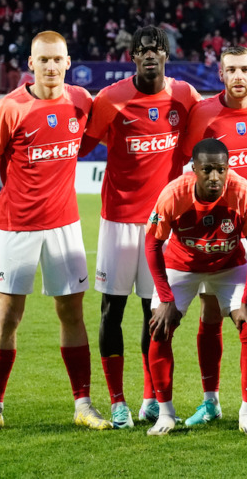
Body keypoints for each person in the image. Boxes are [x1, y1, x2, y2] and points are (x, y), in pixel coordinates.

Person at [0, 31, 111, 434]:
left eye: (57, 59)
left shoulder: (81, 100)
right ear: (31, 64)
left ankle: (83, 405)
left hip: (66, 226)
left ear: (68, 62)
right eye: (43, 60)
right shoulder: (10, 107)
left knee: (72, 313)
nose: (51, 66)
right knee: (8, 315)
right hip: (16, 227)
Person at [79, 25, 202, 429]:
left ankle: (151, 398)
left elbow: (217, 115)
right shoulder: (111, 98)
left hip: (162, 224)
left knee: (157, 313)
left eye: (157, 49)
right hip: (117, 221)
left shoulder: (185, 95)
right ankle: (117, 401)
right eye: (142, 50)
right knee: (111, 310)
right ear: (132, 56)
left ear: (166, 55)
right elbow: (81, 144)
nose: (150, 54)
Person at [144, 139, 247, 436]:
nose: (215, 177)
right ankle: (166, 414)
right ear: (194, 169)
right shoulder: (174, 194)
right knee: (160, 327)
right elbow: (152, 244)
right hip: (181, 265)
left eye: (221, 170)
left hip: (228, 264)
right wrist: (165, 298)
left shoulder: (242, 192)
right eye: (207, 170)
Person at [180, 45, 247, 427]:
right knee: (209, 311)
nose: (238, 76)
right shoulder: (204, 113)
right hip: (214, 230)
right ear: (220, 74)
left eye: (245, 69)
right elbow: (189, 167)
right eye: (231, 69)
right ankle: (210, 401)